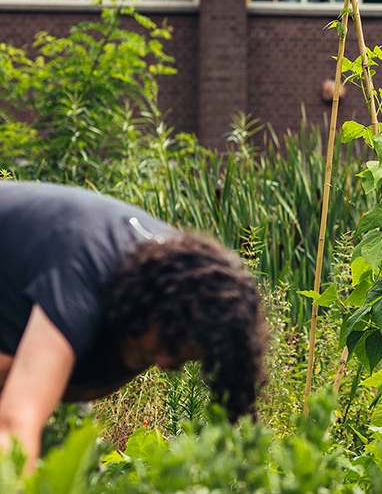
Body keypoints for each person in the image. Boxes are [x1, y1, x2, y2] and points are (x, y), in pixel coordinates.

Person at [0, 181, 268, 469]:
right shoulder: (85, 282)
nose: (163, 362)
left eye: (180, 360)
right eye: (170, 344)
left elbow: (67, 386)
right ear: (155, 303)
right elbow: (15, 427)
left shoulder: (183, 275)